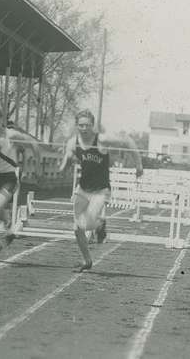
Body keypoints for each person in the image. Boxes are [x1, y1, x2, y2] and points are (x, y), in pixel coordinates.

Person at [60, 110, 141, 272]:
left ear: (93, 125)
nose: (84, 128)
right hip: (83, 189)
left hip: (101, 190)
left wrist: (139, 164)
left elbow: (127, 141)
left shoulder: (101, 140)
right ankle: (86, 260)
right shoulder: (73, 141)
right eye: (81, 125)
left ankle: (100, 223)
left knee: (88, 223)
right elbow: (68, 157)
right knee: (77, 229)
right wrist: (64, 165)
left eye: (87, 125)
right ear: (77, 126)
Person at [0, 107, 37, 262]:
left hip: (8, 179)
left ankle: (7, 220)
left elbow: (33, 143)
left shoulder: (12, 135)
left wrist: (34, 166)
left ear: (1, 120)